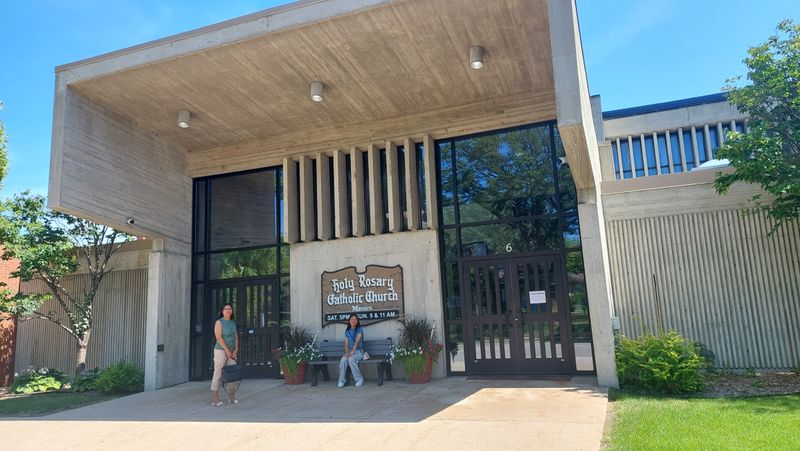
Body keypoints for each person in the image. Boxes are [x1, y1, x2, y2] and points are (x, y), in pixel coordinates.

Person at [211, 303, 239, 406]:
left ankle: (231, 397)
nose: (228, 310)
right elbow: (219, 337)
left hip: (231, 352)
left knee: (232, 374)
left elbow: (235, 337)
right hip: (220, 351)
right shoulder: (219, 322)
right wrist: (227, 350)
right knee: (217, 373)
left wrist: (235, 350)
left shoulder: (232, 323)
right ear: (222, 311)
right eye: (226, 309)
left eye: (230, 309)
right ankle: (215, 399)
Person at [338, 313, 365, 388]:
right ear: (349, 321)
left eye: (355, 319)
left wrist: (352, 352)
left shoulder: (360, 329)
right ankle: (341, 380)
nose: (353, 321)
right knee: (343, 359)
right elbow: (346, 344)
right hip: (350, 352)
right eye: (352, 319)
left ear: (357, 321)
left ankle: (359, 379)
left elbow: (357, 341)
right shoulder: (347, 331)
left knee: (351, 359)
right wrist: (347, 353)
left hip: (358, 352)